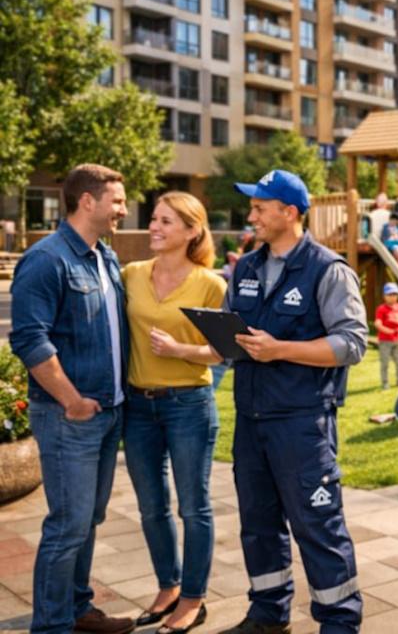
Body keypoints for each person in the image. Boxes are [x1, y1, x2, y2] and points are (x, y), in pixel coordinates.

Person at [213, 169, 369, 634]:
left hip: (303, 426)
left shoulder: (329, 270)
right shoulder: (244, 267)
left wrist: (280, 349)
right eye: (253, 207)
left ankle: (340, 621)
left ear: (290, 213)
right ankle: (267, 613)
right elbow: (229, 331)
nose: (252, 215)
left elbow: (352, 343)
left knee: (318, 526)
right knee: (257, 524)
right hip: (251, 420)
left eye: (260, 207)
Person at [9, 164, 136, 634]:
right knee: (67, 526)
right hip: (70, 416)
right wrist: (72, 400)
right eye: (117, 200)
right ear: (88, 201)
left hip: (108, 413)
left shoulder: (104, 256)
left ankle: (78, 609)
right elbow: (29, 340)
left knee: (88, 520)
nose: (123, 208)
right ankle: (51, 625)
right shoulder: (47, 259)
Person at [121, 192, 226, 634]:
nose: (154, 227)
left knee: (194, 507)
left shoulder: (210, 283)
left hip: (189, 405)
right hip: (138, 406)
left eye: (165, 221)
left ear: (191, 231)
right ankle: (167, 586)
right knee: (150, 507)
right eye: (154, 220)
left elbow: (221, 353)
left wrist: (180, 349)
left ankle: (193, 598)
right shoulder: (130, 274)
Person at [374, 281, 398, 389]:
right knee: (385, 362)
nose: (392, 297)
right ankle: (385, 382)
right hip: (385, 340)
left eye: (395, 294)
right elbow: (377, 323)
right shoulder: (381, 309)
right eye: (390, 295)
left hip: (397, 340)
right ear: (384, 296)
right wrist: (386, 330)